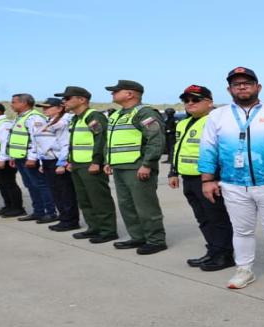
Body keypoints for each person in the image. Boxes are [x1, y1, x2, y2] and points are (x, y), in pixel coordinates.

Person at [198, 67, 264, 289]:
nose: (242, 86)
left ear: (258, 87)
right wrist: (207, 180)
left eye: (247, 82)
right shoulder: (217, 115)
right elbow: (208, 149)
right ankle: (244, 269)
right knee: (242, 230)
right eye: (237, 84)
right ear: (229, 89)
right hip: (233, 183)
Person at [168, 84, 235, 271]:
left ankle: (224, 255)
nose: (190, 103)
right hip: (189, 178)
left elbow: (222, 152)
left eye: (195, 100)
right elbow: (177, 150)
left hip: (207, 179)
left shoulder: (215, 121)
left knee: (217, 218)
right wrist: (173, 172)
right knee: (203, 218)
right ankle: (213, 251)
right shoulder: (183, 123)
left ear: (209, 102)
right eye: (186, 100)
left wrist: (214, 179)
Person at [104, 80, 167, 255]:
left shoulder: (144, 112)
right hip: (120, 167)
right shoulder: (117, 114)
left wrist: (147, 164)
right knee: (127, 205)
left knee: (145, 206)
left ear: (130, 94)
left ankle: (156, 240)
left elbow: (156, 140)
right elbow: (110, 141)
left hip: (137, 167)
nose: (112, 94)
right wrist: (108, 161)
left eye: (116, 91)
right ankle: (138, 236)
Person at [55, 86, 118, 243]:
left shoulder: (93, 116)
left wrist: (97, 161)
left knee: (98, 198)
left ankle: (108, 230)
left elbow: (101, 139)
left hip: (90, 165)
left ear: (82, 99)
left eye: (68, 98)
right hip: (77, 164)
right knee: (85, 199)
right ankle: (94, 227)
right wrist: (70, 160)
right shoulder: (76, 118)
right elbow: (75, 142)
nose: (64, 101)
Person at [8, 93, 56, 223]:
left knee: (40, 185)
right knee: (30, 185)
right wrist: (13, 156)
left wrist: (32, 157)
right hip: (20, 157)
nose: (11, 105)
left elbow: (37, 140)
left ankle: (50, 212)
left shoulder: (34, 118)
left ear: (24, 103)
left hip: (29, 158)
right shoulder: (21, 117)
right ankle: (38, 211)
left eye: (14, 102)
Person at [36, 98, 80, 231]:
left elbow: (65, 144)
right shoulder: (50, 121)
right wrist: (41, 161)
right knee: (56, 192)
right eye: (43, 107)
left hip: (58, 161)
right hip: (48, 160)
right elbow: (42, 143)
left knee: (65, 193)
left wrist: (62, 163)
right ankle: (63, 218)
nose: (44, 110)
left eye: (48, 107)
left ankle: (70, 221)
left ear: (59, 108)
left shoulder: (63, 122)